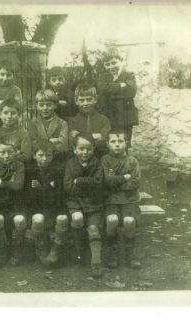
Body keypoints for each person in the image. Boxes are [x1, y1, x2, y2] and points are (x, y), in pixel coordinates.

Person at [64, 133, 105, 278]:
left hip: (94, 202)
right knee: (77, 219)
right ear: (74, 149)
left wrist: (79, 181)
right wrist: (88, 183)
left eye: (88, 148)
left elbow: (99, 184)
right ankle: (78, 253)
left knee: (93, 229)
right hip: (75, 201)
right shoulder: (70, 163)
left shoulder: (97, 163)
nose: (85, 152)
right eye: (81, 148)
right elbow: (68, 186)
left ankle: (96, 262)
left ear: (93, 148)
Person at [101, 131, 142, 269]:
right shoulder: (105, 160)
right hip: (110, 200)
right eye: (113, 142)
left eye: (120, 141)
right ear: (107, 144)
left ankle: (132, 255)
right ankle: (112, 253)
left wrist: (115, 183)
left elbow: (135, 182)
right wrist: (124, 178)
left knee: (129, 221)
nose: (117, 145)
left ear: (126, 143)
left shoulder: (132, 161)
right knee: (112, 220)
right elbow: (106, 181)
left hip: (129, 199)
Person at [25, 140, 68, 266]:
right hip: (36, 208)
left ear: (53, 156)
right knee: (38, 219)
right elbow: (29, 197)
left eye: (48, 155)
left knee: (62, 218)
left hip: (54, 208)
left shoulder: (57, 171)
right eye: (41, 155)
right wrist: (49, 186)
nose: (44, 159)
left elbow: (58, 195)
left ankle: (55, 250)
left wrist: (41, 187)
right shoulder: (30, 171)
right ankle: (41, 248)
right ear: (34, 155)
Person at [0, 137, 26, 268]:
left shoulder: (19, 165)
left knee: (19, 220)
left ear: (16, 152)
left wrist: (2, 183)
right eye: (2, 152)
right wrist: (10, 182)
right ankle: (1, 253)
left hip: (16, 203)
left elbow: (19, 186)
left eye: (10, 152)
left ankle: (17, 252)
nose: (6, 155)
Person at [97, 47, 138, 146]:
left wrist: (110, 89)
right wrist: (121, 85)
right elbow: (102, 88)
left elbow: (131, 91)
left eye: (114, 63)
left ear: (121, 61)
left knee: (124, 141)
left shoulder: (129, 75)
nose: (111, 67)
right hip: (108, 114)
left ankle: (125, 159)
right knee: (109, 142)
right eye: (107, 64)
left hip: (125, 115)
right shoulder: (103, 77)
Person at [68, 84, 111, 158]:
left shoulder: (104, 120)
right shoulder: (73, 121)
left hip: (100, 157)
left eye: (89, 99)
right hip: (79, 158)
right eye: (82, 100)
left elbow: (105, 141)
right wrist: (96, 136)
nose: (86, 103)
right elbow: (73, 142)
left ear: (95, 99)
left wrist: (81, 137)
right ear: (76, 101)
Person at [0, 99, 31, 164]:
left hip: (18, 169)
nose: (9, 116)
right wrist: (16, 152)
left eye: (13, 113)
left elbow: (26, 157)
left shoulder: (23, 133)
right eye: (6, 113)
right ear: (0, 114)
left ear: (18, 115)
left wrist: (1, 153)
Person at [28, 89, 69, 156]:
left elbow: (63, 146)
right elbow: (32, 144)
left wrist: (41, 143)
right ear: (37, 106)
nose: (45, 108)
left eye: (48, 105)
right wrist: (54, 141)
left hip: (57, 158)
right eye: (41, 105)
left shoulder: (62, 123)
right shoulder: (33, 123)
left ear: (55, 105)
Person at [0, 60, 23, 131]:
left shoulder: (16, 90)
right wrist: (8, 102)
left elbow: (18, 106)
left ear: (13, 75)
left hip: (11, 123)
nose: (5, 78)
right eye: (2, 74)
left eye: (9, 75)